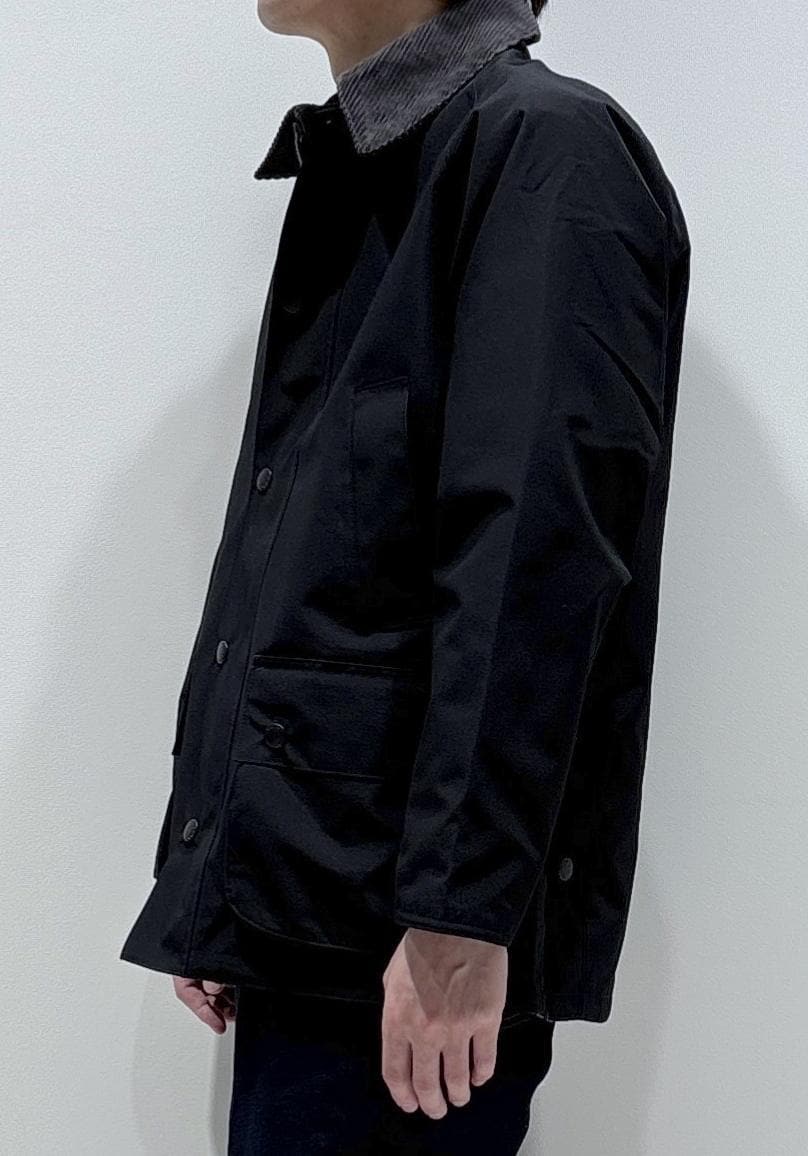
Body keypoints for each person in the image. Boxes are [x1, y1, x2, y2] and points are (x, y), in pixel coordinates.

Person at [119, 0, 690, 1151]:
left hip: (405, 949)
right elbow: (324, 559)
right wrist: (218, 878)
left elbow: (537, 557)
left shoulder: (543, 149)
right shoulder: (372, 163)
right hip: (313, 918)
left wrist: (459, 915)